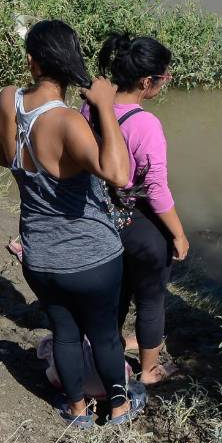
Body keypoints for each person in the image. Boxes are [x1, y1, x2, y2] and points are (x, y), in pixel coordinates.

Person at [0, 20, 143, 428]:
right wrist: (106, 108)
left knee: (65, 334)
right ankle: (121, 408)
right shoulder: (69, 121)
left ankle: (77, 409)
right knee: (106, 334)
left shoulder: (8, 100)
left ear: (32, 62)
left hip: (39, 255)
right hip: (91, 255)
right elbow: (119, 173)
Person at [83, 33, 188, 386]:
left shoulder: (91, 106)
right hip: (138, 222)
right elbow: (156, 190)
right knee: (151, 299)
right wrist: (178, 234)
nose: (164, 83)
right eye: (164, 78)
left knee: (116, 294)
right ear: (147, 82)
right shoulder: (146, 124)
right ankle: (148, 371)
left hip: (101, 216)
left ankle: (107, 362)